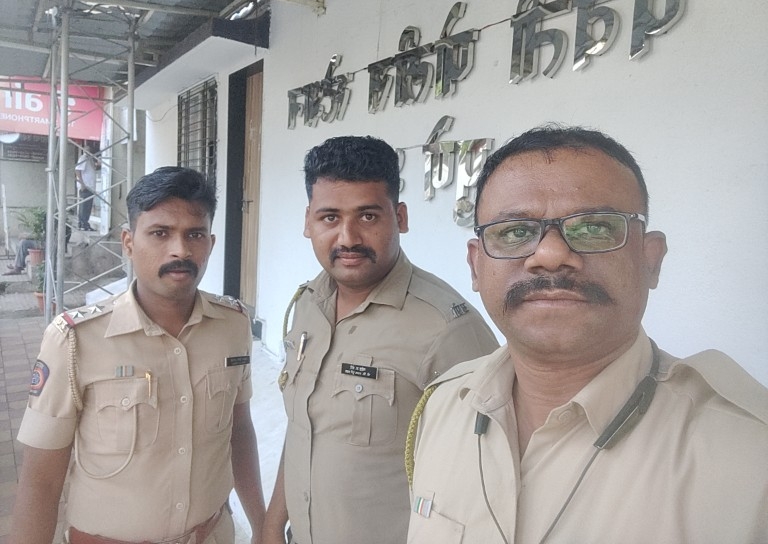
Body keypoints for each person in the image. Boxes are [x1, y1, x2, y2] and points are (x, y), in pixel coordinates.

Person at [406, 124, 768, 544]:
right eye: (515, 232)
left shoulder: (749, 457)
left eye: (594, 227)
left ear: (651, 260)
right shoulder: (441, 407)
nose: (550, 255)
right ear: (475, 266)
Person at [261, 136, 498, 544]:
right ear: (308, 222)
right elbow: (304, 429)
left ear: (400, 217)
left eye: (368, 216)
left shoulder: (446, 328)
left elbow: (488, 475)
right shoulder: (308, 304)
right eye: (329, 218)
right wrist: (271, 524)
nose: (348, 238)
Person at [10, 166, 266, 544]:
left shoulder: (233, 325)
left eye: (194, 234)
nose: (180, 250)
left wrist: (262, 526)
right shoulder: (76, 340)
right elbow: (41, 481)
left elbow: (239, 431)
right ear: (128, 243)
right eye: (160, 233)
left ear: (210, 243)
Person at [75, 142, 101, 231]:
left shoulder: (90, 159)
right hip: (86, 186)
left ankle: (84, 223)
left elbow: (93, 169)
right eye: (88, 149)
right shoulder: (83, 158)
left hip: (90, 186)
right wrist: (82, 184)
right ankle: (83, 224)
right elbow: (78, 170)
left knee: (88, 206)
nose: (89, 151)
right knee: (84, 206)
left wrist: (98, 164)